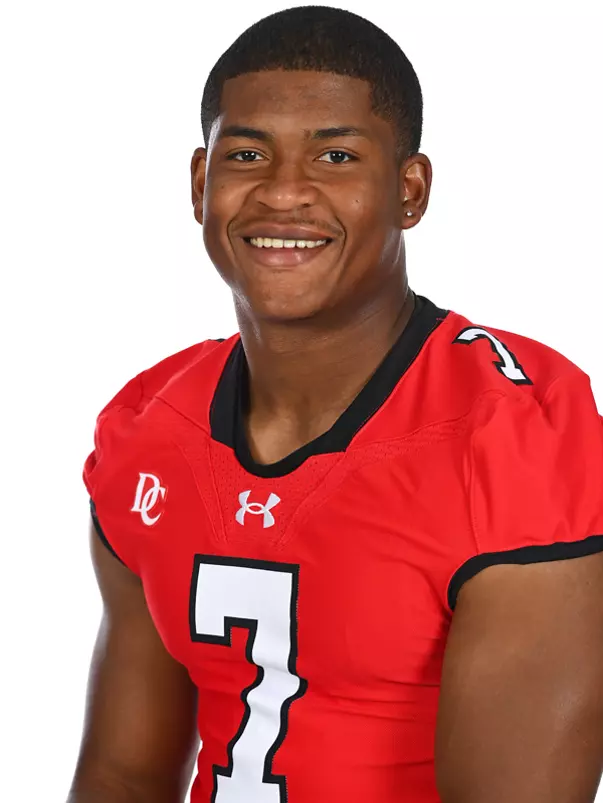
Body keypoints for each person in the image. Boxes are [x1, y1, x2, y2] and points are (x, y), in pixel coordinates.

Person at [67, 6, 603, 803]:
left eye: (336, 155)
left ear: (408, 190)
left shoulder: (514, 433)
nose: (285, 192)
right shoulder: (150, 425)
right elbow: (122, 775)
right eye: (247, 153)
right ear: (199, 183)